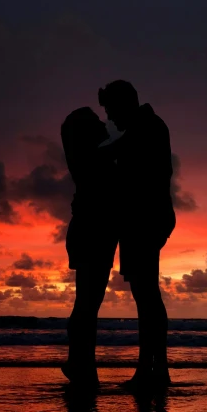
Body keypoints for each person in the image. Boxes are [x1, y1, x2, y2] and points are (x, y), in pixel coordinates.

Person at [98, 80, 175, 390]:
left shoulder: (146, 128)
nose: (111, 120)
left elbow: (110, 154)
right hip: (144, 221)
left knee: (147, 297)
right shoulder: (144, 127)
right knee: (147, 296)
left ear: (125, 104)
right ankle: (157, 369)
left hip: (144, 221)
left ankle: (150, 370)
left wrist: (86, 148)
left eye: (111, 111)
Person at [61, 107, 118, 387]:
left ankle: (82, 363)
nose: (103, 123)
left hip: (92, 233)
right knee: (87, 303)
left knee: (87, 303)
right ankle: (81, 364)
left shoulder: (91, 157)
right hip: (92, 234)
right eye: (96, 122)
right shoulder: (94, 158)